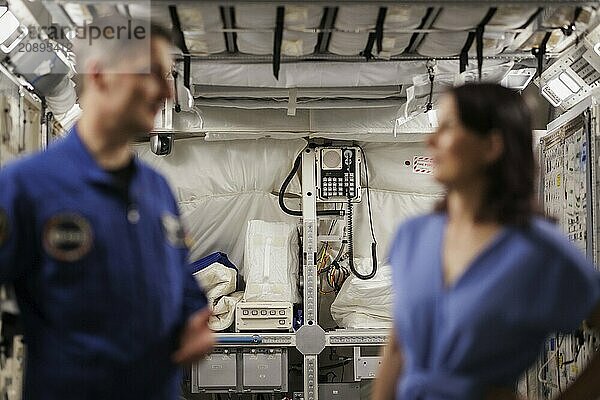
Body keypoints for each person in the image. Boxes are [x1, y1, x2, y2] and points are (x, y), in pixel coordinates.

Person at [0, 16, 214, 399]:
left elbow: (181, 285)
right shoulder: (26, 188)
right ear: (100, 75)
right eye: (153, 74)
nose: (168, 92)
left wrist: (195, 318)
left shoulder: (157, 190)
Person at [372, 83, 600, 400]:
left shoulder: (537, 251)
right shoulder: (414, 236)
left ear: (491, 146)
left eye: (448, 127)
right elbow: (397, 345)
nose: (431, 140)